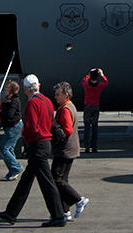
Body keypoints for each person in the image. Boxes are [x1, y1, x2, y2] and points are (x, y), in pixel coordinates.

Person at [0, 74, 65, 227]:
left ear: (25, 89)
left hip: (37, 145)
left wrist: (24, 135)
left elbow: (32, 127)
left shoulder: (32, 103)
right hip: (45, 143)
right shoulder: (46, 101)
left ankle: (58, 216)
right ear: (38, 85)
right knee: (25, 181)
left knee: (46, 183)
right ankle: (11, 212)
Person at [51, 81, 89, 222]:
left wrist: (56, 135)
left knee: (55, 178)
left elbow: (67, 130)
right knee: (62, 179)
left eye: (57, 94)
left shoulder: (65, 109)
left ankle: (79, 200)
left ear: (65, 94)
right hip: (71, 148)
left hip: (65, 149)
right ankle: (65, 211)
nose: (55, 97)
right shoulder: (70, 106)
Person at [0, 81, 24, 181]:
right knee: (9, 149)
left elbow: (9, 114)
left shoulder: (14, 101)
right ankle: (12, 171)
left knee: (4, 149)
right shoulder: (9, 100)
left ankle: (16, 167)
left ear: (12, 90)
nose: (5, 89)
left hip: (14, 127)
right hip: (12, 127)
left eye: (8, 87)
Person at [81, 68, 108, 153]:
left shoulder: (86, 85)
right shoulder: (99, 86)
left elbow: (83, 80)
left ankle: (87, 147)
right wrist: (102, 74)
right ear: (97, 77)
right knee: (95, 127)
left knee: (87, 127)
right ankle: (94, 147)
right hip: (95, 106)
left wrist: (89, 73)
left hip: (87, 106)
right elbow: (106, 83)